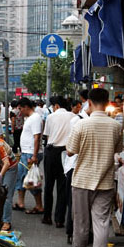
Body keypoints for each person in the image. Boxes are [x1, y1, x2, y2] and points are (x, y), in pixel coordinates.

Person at [62, 88, 124, 247]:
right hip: (105, 181)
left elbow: (70, 151)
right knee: (102, 222)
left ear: (89, 102)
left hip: (82, 180)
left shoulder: (82, 125)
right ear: (107, 102)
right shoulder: (116, 126)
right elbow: (118, 149)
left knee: (81, 220)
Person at [41, 96, 74, 227]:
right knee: (62, 187)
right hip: (66, 153)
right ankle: (60, 219)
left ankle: (47, 216)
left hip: (51, 152)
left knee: (48, 186)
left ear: (56, 106)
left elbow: (47, 136)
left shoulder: (51, 117)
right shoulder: (74, 117)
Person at [63, 97, 88, 244]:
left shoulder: (88, 121)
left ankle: (82, 234)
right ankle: (71, 232)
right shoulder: (76, 121)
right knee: (73, 202)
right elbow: (70, 150)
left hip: (84, 166)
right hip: (74, 166)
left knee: (83, 203)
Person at [14, 98, 44, 214]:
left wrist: (34, 156)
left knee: (31, 180)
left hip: (31, 154)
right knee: (21, 177)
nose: (20, 111)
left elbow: (37, 137)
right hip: (26, 153)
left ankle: (39, 206)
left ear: (26, 106)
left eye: (20, 108)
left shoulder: (35, 118)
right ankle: (20, 203)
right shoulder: (31, 118)